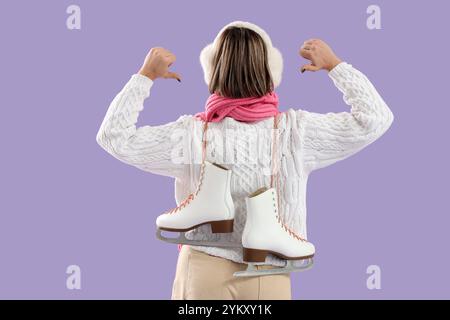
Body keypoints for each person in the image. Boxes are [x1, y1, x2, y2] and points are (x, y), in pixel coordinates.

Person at [96, 21, 394, 300]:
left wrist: (145, 76)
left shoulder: (190, 134)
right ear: (270, 71)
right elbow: (375, 119)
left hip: (201, 265)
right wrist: (334, 65)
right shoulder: (295, 133)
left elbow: (113, 137)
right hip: (270, 269)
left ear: (212, 70)